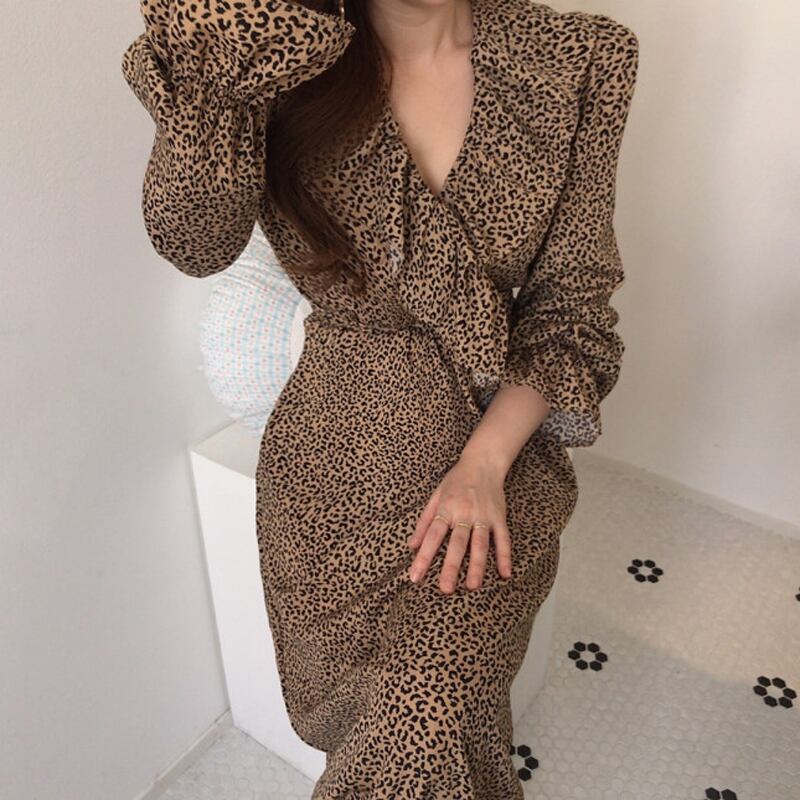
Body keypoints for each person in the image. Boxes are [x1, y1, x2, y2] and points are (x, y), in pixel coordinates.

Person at [121, 0, 639, 796]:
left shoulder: (577, 59)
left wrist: (484, 465)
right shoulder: (277, 54)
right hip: (335, 449)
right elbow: (193, 240)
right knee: (388, 730)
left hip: (494, 442)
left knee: (417, 714)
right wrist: (223, 59)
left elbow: (571, 310)